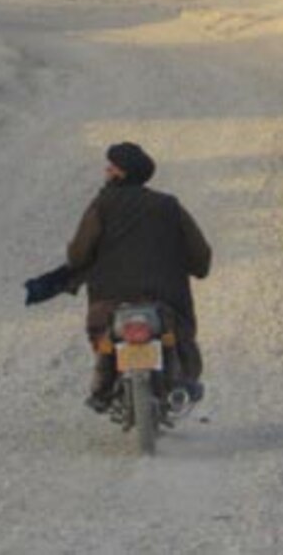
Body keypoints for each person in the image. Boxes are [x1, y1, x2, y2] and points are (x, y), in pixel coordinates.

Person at [66, 142, 212, 413]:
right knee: (181, 342)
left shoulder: (101, 206)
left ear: (121, 174)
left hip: (110, 301)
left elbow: (78, 253)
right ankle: (183, 384)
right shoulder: (169, 206)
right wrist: (196, 268)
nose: (106, 170)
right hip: (165, 299)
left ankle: (102, 391)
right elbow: (200, 254)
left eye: (111, 166)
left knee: (105, 339)